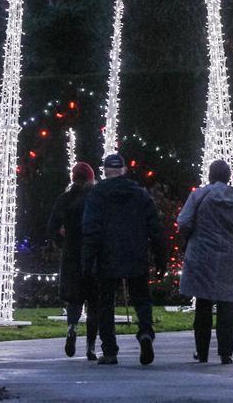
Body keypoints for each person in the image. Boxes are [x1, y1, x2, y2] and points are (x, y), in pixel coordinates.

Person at [82, 154, 166, 366]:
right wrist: (160, 257)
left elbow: (91, 229)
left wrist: (87, 260)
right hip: (136, 252)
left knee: (105, 303)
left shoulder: (97, 194)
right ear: (124, 170)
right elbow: (155, 228)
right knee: (141, 298)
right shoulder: (140, 194)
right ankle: (145, 332)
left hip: (107, 254)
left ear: (105, 171)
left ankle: (110, 350)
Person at [177, 159, 233, 365]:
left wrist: (191, 236)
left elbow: (183, 221)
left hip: (202, 256)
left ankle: (202, 352)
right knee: (228, 306)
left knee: (203, 304)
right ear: (229, 177)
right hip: (229, 259)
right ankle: (225, 353)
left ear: (210, 175)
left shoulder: (199, 195)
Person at [48, 161, 99, 361]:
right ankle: (91, 346)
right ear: (91, 178)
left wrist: (63, 243)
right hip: (93, 253)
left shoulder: (65, 199)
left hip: (72, 254)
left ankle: (72, 327)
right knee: (94, 301)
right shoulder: (96, 198)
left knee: (74, 299)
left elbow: (52, 227)